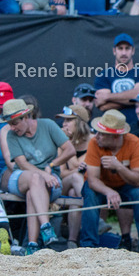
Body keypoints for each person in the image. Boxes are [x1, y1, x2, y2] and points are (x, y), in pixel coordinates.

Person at [0, 99, 75, 254]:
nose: (11, 128)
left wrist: (51, 166)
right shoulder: (12, 135)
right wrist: (43, 173)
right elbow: (22, 164)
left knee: (32, 192)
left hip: (49, 178)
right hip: (22, 177)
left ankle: (32, 245)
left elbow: (70, 150)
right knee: (35, 179)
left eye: (14, 123)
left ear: (26, 117)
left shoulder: (47, 125)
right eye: (9, 123)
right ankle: (46, 227)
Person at [79, 109, 139, 254]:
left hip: (126, 184)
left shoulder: (134, 143)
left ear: (115, 137)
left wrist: (119, 166)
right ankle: (88, 246)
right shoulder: (94, 143)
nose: (97, 136)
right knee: (90, 194)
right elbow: (92, 180)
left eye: (102, 133)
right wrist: (109, 191)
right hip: (100, 186)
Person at [93, 33, 139, 128]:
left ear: (133, 51)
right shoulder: (104, 75)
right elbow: (102, 106)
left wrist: (108, 96)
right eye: (120, 48)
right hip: (112, 129)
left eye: (127, 48)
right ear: (114, 51)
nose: (124, 53)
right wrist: (133, 101)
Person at [55, 103, 91, 247]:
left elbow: (82, 166)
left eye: (68, 120)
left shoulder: (94, 140)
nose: (64, 124)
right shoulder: (61, 141)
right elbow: (62, 173)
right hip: (63, 183)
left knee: (74, 193)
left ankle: (72, 241)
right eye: (63, 121)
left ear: (79, 123)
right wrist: (67, 143)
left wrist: (67, 146)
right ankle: (92, 217)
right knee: (76, 178)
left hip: (87, 185)